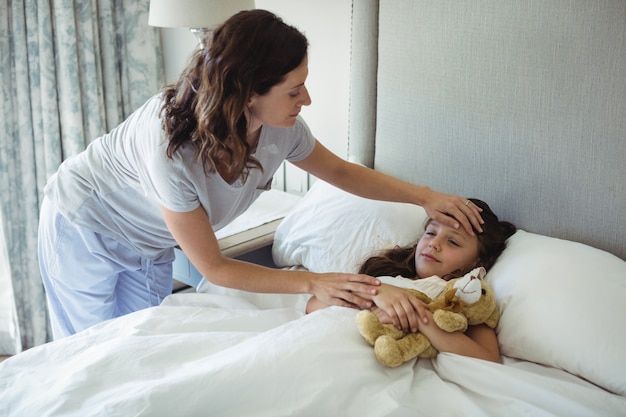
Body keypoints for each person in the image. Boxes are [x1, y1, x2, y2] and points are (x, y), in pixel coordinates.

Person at [37, 9, 483, 339]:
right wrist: (314, 281)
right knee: (88, 349)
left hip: (150, 243)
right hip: (85, 227)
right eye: (294, 89)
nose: (305, 99)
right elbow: (213, 266)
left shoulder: (277, 129)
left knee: (136, 346)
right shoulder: (171, 146)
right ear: (248, 92)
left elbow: (342, 173)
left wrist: (425, 197)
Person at [306, 198, 516, 363]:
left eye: (452, 241)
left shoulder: (461, 296)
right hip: (325, 340)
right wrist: (374, 296)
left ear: (477, 260)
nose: (434, 243)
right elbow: (314, 305)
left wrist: (418, 318)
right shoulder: (384, 278)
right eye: (431, 232)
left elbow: (488, 359)